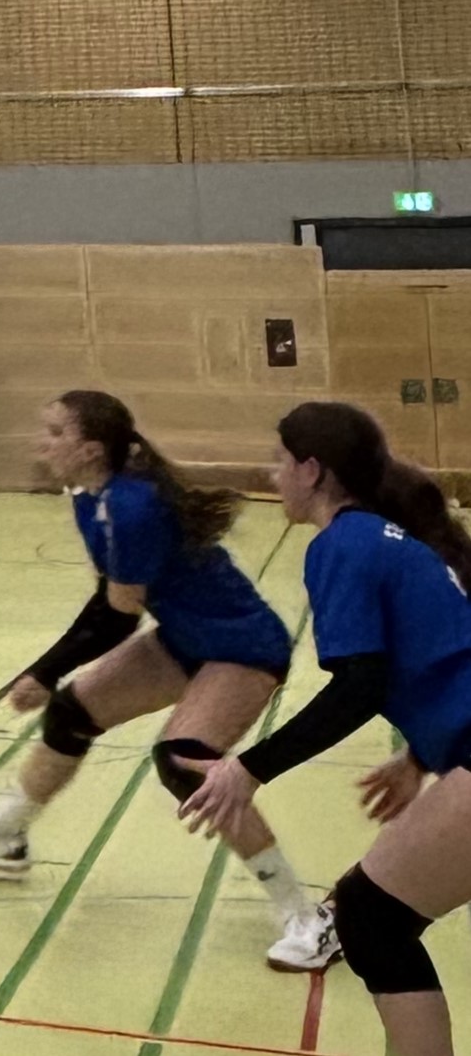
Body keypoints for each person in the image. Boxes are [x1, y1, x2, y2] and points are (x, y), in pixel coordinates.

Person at [0, 390, 337, 971]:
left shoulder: (132, 506)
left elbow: (119, 617)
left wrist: (44, 670)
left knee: (186, 764)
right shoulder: (91, 497)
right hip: (186, 638)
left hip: (241, 647)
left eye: (56, 433)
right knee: (72, 713)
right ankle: (3, 836)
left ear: (91, 449)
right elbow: (109, 598)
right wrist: (49, 675)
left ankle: (303, 916)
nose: (42, 444)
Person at [184, 401, 471, 1056]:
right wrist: (418, 757)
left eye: (280, 461)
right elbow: (440, 651)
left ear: (311, 470)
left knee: (371, 918)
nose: (272, 474)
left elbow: (360, 685)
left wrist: (247, 768)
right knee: (372, 917)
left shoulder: (343, 544)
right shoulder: (391, 539)